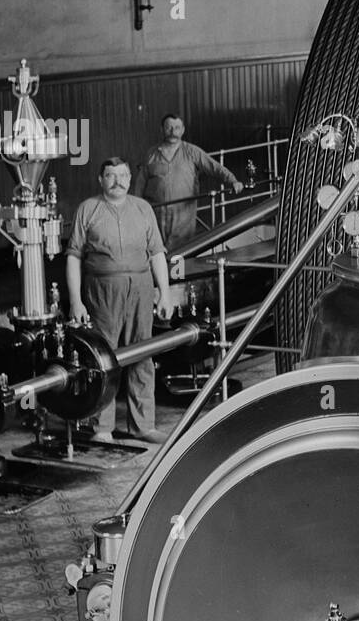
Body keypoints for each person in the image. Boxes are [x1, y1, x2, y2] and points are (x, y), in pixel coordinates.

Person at [66, 156, 174, 443]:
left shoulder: (143, 208)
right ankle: (102, 428)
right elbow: (74, 257)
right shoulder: (88, 209)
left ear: (130, 178)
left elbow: (157, 253)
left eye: (123, 175)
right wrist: (76, 301)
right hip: (102, 291)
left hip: (141, 287)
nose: (118, 180)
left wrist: (164, 292)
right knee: (104, 358)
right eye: (111, 175)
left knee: (143, 355)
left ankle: (143, 426)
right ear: (100, 180)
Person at [133, 113, 243, 250]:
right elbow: (140, 184)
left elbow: (214, 167)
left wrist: (233, 180)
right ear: (161, 129)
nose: (173, 132)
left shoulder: (192, 152)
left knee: (180, 261)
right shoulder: (151, 154)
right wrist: (136, 209)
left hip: (183, 223)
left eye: (177, 128)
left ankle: (178, 272)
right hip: (156, 219)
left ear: (183, 130)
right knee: (157, 257)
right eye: (169, 128)